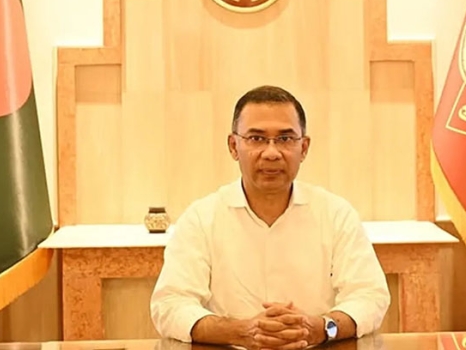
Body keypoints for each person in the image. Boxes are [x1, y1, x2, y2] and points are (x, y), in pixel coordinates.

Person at [150, 85, 390, 349]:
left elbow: (369, 297)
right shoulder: (201, 218)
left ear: (304, 147)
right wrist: (239, 332)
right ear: (233, 146)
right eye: (256, 138)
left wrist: (322, 329)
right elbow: (170, 305)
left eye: (285, 139)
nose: (272, 152)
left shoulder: (336, 214)